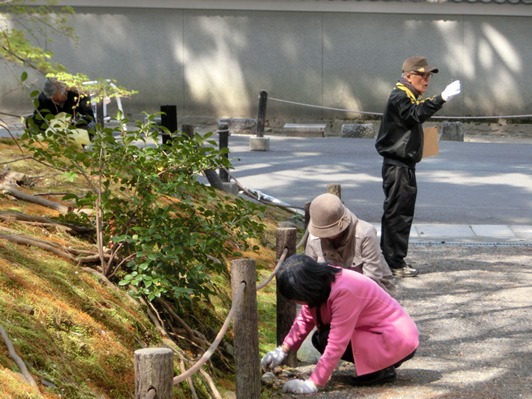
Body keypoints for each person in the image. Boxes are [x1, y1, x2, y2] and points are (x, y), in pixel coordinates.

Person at [261, 254, 418, 394]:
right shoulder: (320, 280)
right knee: (320, 337)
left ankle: (381, 371)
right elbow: (305, 318)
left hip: (397, 339)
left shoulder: (345, 291)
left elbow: (337, 342)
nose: (295, 302)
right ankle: (380, 365)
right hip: (381, 334)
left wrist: (313, 383)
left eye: (296, 298)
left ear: (306, 289)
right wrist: (282, 350)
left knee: (326, 337)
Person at [375, 56, 461, 277]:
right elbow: (415, 114)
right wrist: (442, 98)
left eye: (429, 76)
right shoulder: (400, 96)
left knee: (400, 213)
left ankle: (393, 259)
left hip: (403, 165)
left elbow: (416, 114)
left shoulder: (407, 95)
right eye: (423, 75)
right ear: (409, 75)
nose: (427, 79)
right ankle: (393, 263)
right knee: (398, 214)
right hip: (398, 165)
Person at [305, 193, 396, 296]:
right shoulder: (314, 238)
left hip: (369, 292)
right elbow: (310, 276)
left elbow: (372, 279)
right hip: (332, 292)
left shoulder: (365, 233)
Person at [27, 78, 95, 139]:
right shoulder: (44, 98)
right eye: (51, 99)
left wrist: (72, 123)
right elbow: (38, 120)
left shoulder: (79, 95)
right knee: (32, 124)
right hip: (53, 131)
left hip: (74, 128)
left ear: (65, 91)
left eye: (56, 99)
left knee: (91, 126)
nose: (54, 101)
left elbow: (89, 117)